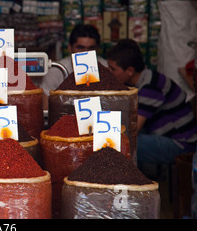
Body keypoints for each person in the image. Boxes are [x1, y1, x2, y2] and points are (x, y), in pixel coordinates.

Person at [106, 38, 197, 169]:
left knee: (122, 144)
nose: (109, 73)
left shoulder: (151, 86)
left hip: (182, 144)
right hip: (164, 136)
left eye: (113, 69)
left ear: (130, 71)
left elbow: (133, 129)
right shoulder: (143, 80)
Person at [33, 23, 108, 109]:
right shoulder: (56, 69)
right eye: (80, 47)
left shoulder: (106, 68)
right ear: (70, 47)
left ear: (97, 49)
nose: (85, 52)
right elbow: (46, 101)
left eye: (91, 48)